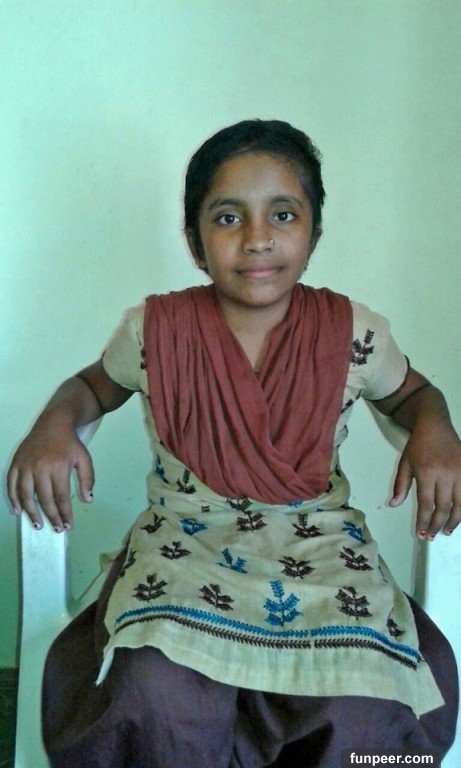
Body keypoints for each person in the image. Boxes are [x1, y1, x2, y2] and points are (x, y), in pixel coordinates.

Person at [7, 119, 460, 768]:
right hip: (188, 537)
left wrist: (436, 428)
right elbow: (90, 388)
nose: (256, 238)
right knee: (155, 687)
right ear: (195, 242)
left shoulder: (352, 331)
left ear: (314, 233)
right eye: (227, 218)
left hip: (316, 542)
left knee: (364, 699)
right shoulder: (154, 331)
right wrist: (54, 424)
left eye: (283, 214)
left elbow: (412, 395)